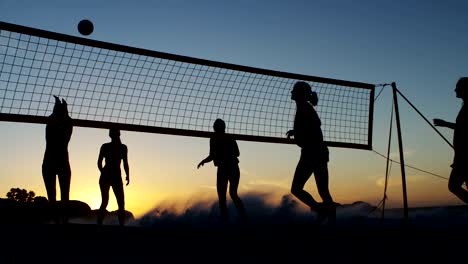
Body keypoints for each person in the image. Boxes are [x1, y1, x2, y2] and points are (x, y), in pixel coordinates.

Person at [286, 81, 336, 223]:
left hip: (312, 153)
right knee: (322, 191)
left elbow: (315, 125)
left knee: (297, 189)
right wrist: (296, 131)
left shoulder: (304, 107)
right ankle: (329, 218)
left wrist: (299, 133)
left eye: (294, 90)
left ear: (300, 94)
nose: (291, 92)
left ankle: (321, 211)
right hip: (315, 152)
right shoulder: (303, 107)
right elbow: (312, 125)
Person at [197, 118, 247, 223]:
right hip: (225, 168)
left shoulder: (227, 138)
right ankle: (228, 221)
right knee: (224, 197)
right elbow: (212, 155)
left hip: (230, 167)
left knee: (231, 194)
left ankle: (243, 219)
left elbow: (237, 153)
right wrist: (204, 161)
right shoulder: (214, 139)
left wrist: (224, 155)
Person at [433, 77, 468, 204]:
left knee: (453, 186)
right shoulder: (464, 107)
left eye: (457, 88)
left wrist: (445, 123)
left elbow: (464, 128)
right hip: (461, 156)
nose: (455, 90)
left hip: (464, 157)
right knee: (454, 186)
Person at [42, 95, 73, 224]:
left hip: (53, 161)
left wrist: (59, 106)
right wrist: (62, 106)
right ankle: (58, 221)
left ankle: (61, 220)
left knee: (59, 195)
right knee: (57, 195)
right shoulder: (63, 122)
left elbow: (58, 117)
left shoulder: (56, 122)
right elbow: (63, 117)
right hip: (56, 161)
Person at [97, 128, 130, 226]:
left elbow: (125, 163)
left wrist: (128, 174)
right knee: (110, 202)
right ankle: (100, 223)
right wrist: (103, 172)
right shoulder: (109, 146)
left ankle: (119, 225)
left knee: (117, 203)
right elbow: (99, 162)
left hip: (113, 176)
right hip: (110, 176)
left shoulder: (122, 147)